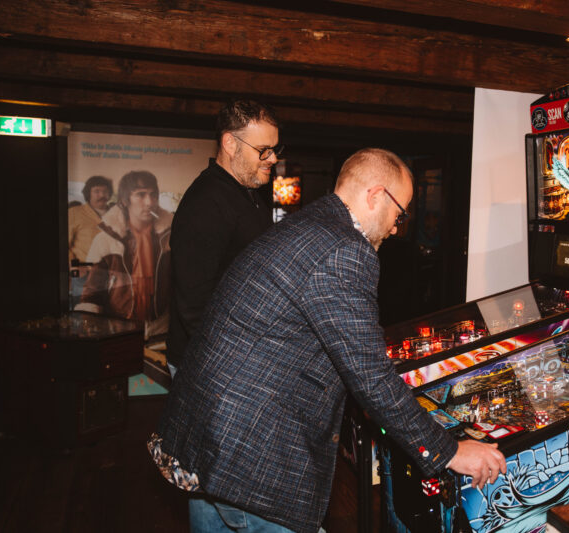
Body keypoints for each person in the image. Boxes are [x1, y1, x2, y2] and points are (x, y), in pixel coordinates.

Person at [149, 148, 507, 533]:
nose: (395, 228)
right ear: (376, 195)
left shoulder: (310, 224)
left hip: (207, 434)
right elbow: (371, 377)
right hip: (248, 452)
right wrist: (448, 451)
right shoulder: (344, 249)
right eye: (400, 214)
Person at [166, 99, 282, 376]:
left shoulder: (247, 194)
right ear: (230, 143)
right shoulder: (206, 202)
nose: (273, 159)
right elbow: (195, 305)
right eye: (263, 150)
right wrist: (233, 365)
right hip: (212, 363)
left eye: (274, 149)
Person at [75, 170, 172, 338]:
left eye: (153, 195)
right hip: (119, 330)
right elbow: (93, 292)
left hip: (161, 330)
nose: (149, 202)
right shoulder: (105, 240)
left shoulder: (171, 237)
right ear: (125, 200)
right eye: (140, 195)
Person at [68, 175, 113, 264]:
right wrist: (74, 266)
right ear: (88, 193)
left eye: (105, 191)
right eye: (97, 191)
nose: (102, 195)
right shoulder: (74, 213)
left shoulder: (116, 214)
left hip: (112, 269)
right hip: (85, 268)